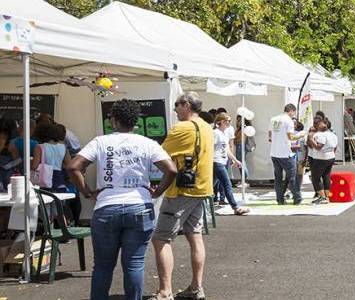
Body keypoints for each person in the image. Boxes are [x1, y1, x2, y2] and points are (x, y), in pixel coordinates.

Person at [66, 99, 176, 300]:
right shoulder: (148, 143)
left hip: (107, 207)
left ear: (114, 120)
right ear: (134, 122)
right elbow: (171, 169)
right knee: (134, 263)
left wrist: (87, 192)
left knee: (102, 265)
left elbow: (74, 167)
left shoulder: (101, 142)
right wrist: (158, 191)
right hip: (140, 206)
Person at [153, 92, 215, 300]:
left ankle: (165, 291)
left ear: (187, 105)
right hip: (201, 188)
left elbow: (160, 155)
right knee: (194, 235)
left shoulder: (182, 128)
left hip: (181, 190)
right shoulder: (207, 127)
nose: (175, 109)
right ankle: (196, 287)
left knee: (161, 238)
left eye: (178, 105)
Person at [212, 113, 248, 215]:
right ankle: (235, 207)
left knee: (211, 185)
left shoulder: (224, 133)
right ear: (222, 122)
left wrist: (235, 160)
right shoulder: (216, 133)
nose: (229, 123)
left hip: (222, 161)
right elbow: (210, 147)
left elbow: (227, 149)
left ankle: (200, 204)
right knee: (227, 184)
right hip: (216, 161)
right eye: (228, 121)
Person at [269, 104, 303, 205]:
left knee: (278, 178)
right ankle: (297, 197)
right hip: (286, 153)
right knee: (292, 176)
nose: (294, 115)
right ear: (291, 111)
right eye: (294, 112)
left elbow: (270, 136)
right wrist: (300, 135)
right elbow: (291, 137)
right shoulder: (288, 121)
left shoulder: (273, 119)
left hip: (274, 152)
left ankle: (280, 199)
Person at [308, 117, 338, 204]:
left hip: (321, 158)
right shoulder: (332, 134)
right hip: (331, 157)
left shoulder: (319, 135)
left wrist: (311, 139)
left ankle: (322, 196)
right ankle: (327, 196)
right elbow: (335, 147)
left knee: (315, 177)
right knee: (326, 176)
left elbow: (318, 147)